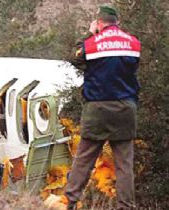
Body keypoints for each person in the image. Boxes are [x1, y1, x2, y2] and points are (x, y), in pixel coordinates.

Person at [65, 5, 141, 210]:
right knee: (124, 164)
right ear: (117, 22)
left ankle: (71, 201)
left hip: (97, 108)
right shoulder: (133, 43)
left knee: (84, 158)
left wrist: (90, 34)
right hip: (125, 108)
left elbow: (74, 58)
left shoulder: (91, 44)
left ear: (99, 23)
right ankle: (126, 206)